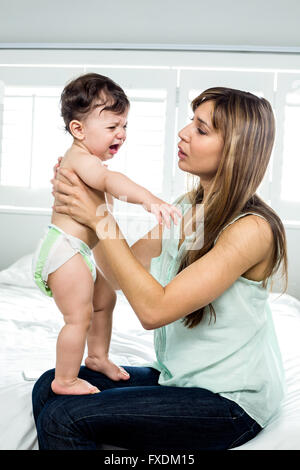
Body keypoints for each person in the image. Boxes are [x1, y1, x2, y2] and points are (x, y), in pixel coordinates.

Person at [32, 87, 288, 450]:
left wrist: (100, 217)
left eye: (200, 129)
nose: (184, 133)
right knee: (50, 385)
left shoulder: (252, 229)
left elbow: (154, 310)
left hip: (229, 401)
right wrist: (88, 210)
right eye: (190, 122)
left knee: (63, 418)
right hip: (181, 379)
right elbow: (120, 272)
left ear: (235, 150)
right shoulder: (189, 209)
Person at [31, 73, 181, 396]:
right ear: (79, 129)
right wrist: (148, 199)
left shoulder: (86, 161)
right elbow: (112, 183)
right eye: (112, 127)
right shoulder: (81, 159)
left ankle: (97, 356)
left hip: (79, 251)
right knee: (78, 316)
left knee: (105, 299)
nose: (122, 134)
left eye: (124, 126)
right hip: (65, 250)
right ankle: (65, 379)